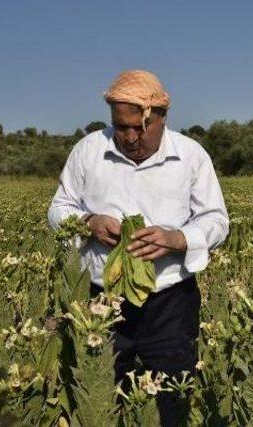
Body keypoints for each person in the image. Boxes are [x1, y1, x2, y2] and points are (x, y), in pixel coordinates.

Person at [48, 70, 229, 425]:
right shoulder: (88, 151)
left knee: (171, 402)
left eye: (139, 128)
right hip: (101, 302)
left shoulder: (191, 156)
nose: (130, 137)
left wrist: (177, 238)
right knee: (100, 401)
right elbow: (58, 209)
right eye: (121, 127)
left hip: (170, 303)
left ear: (162, 118)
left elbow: (217, 222)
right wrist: (88, 223)